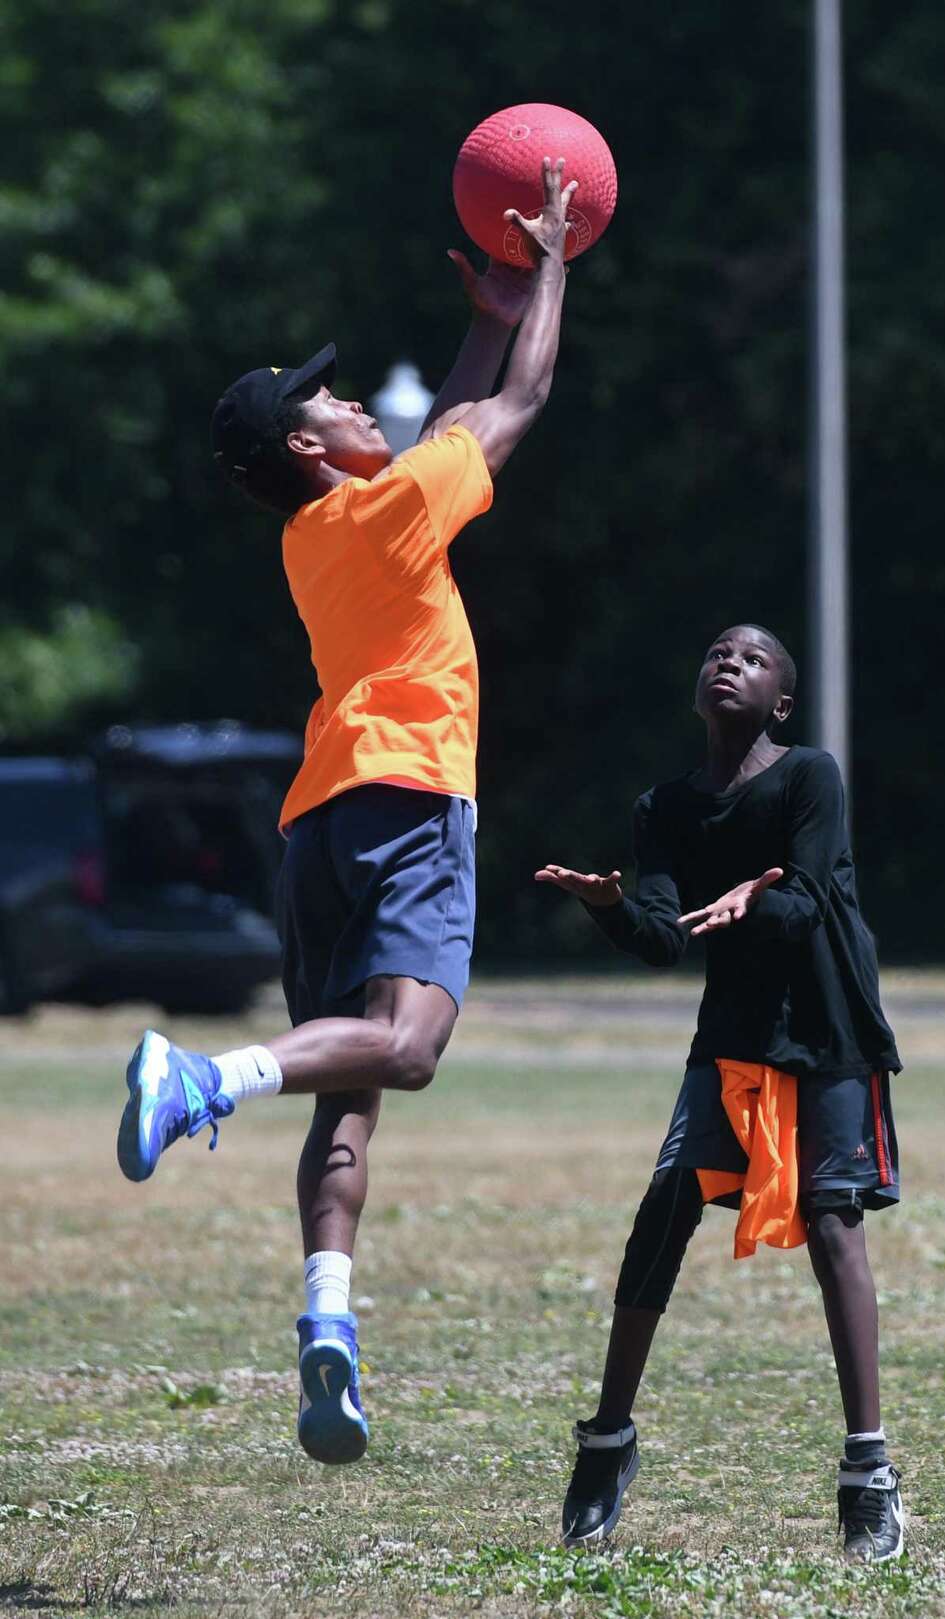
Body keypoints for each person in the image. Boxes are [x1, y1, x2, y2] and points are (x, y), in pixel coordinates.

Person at [116, 158, 577, 1468]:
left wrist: (485, 309)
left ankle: (330, 1322)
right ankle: (202, 1075)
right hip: (409, 798)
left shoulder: (327, 528)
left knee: (352, 1081)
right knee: (412, 1045)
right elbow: (521, 400)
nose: (356, 396)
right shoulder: (384, 510)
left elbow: (447, 412)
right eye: (330, 397)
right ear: (315, 446)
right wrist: (548, 269)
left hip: (319, 819)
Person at [535, 623, 906, 1562]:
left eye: (753, 656)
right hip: (735, 1033)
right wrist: (612, 907)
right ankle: (607, 1442)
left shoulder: (808, 776)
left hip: (826, 1025)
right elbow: (665, 937)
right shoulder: (664, 808)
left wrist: (754, 895)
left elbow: (810, 899)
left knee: (833, 1222)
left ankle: (869, 1473)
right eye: (715, 652)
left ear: (780, 699)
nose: (727, 660)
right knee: (666, 1205)